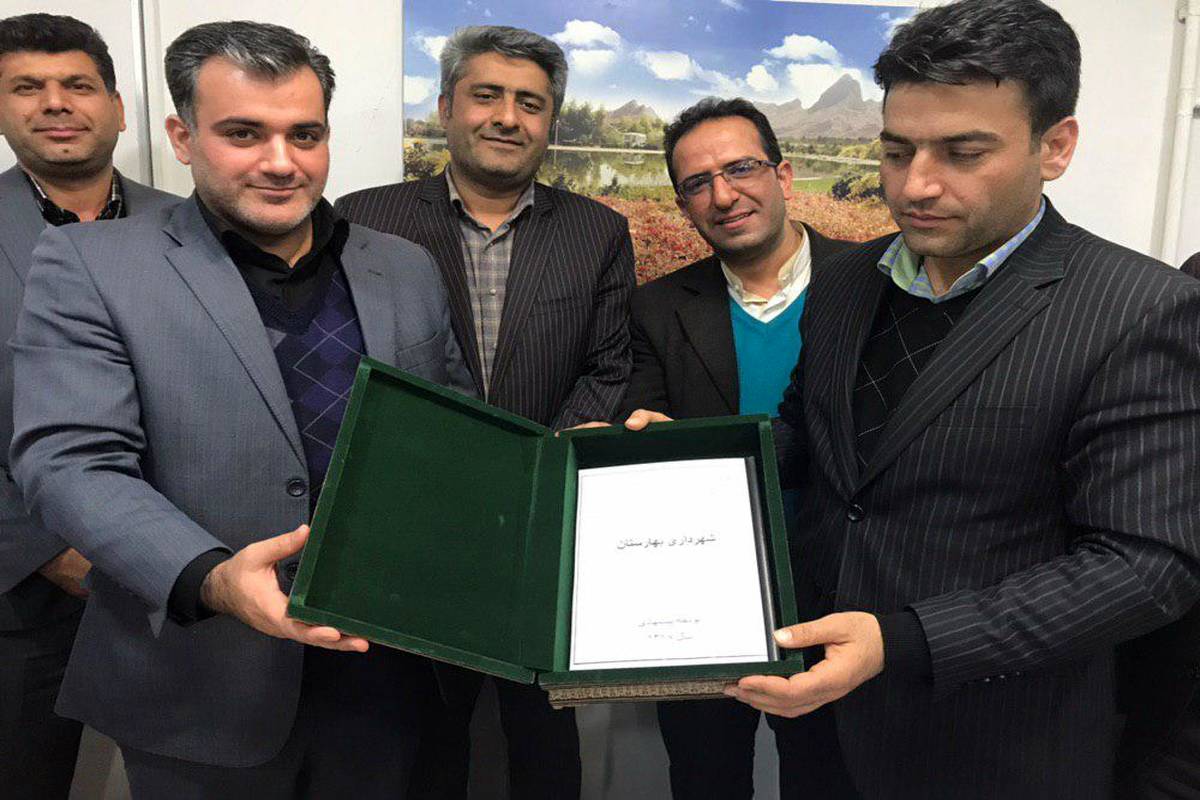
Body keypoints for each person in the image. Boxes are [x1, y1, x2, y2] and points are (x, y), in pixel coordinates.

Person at [621, 0, 1200, 796]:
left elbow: (1146, 566)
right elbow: (807, 436)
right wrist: (686, 456)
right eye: (896, 152)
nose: (916, 185)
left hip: (991, 742)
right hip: (827, 724)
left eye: (963, 152)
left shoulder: (1142, 308)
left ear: (1056, 146)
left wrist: (905, 642)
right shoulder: (846, 280)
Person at [10, 20, 473, 798]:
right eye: (244, 133)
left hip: (386, 676)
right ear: (183, 138)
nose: (281, 162)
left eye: (304, 134)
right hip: (201, 681)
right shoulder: (91, 264)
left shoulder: (404, 266)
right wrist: (212, 578)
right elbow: (69, 461)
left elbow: (454, 430)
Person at [336, 24, 634, 799]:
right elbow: (348, 365)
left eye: (530, 103)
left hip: (545, 527)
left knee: (543, 735)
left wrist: (538, 476)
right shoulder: (362, 220)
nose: (508, 117)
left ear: (550, 120)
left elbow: (609, 366)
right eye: (487, 95)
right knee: (420, 737)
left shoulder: (598, 232)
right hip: (414, 527)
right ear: (445, 107)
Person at [618, 96, 850, 799]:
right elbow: (648, 429)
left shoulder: (869, 283)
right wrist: (635, 448)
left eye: (741, 168)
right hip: (705, 597)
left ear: (783, 174)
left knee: (832, 779)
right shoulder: (657, 308)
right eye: (697, 183)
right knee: (704, 776)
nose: (723, 195)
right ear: (683, 204)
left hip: (841, 591)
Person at [0, 14, 178, 799]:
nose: (55, 103)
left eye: (77, 85)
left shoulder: (193, 226)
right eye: (27, 87)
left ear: (117, 108)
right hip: (26, 592)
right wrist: (49, 551)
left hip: (177, 579)